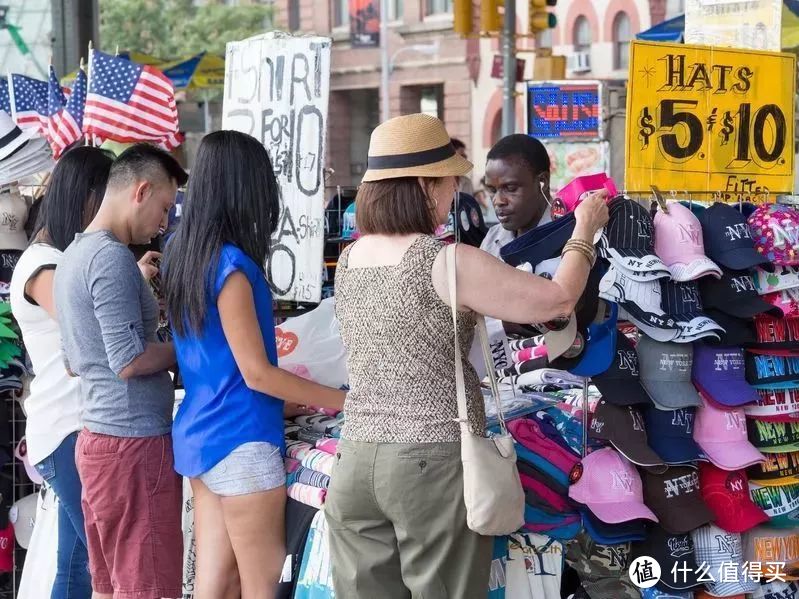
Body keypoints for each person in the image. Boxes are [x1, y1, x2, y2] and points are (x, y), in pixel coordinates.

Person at [325, 113, 608, 598]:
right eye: (448, 179)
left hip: (355, 459)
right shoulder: (446, 261)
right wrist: (583, 229)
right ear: (422, 185)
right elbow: (558, 300)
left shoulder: (351, 258)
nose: (454, 189)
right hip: (429, 462)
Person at [162, 130, 345, 599]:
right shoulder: (232, 266)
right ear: (247, 188)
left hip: (200, 436)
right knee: (261, 586)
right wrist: (343, 399)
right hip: (241, 438)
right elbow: (257, 373)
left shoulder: (182, 253)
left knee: (214, 584)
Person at [53, 144, 188, 599]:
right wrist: (184, 347)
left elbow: (75, 362)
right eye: (165, 207)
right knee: (148, 586)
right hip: (133, 445)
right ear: (142, 190)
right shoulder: (109, 258)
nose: (165, 223)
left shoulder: (72, 253)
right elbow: (128, 360)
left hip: (98, 441)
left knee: (112, 586)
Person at [10, 147, 113, 599]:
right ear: (86, 196)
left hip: (72, 425)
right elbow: (86, 331)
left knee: (76, 562)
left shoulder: (56, 259)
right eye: (106, 197)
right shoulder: (43, 264)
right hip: (66, 429)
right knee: (92, 561)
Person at [480, 134, 553, 259]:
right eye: (492, 190)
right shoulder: (492, 239)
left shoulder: (574, 235)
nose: (498, 201)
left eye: (510, 188)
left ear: (542, 182)